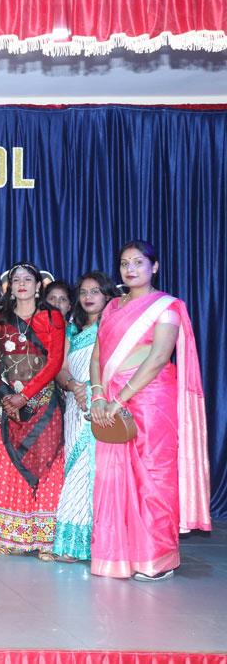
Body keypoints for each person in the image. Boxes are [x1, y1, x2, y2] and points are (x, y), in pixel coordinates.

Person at [89, 240, 211, 580]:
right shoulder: (112, 308)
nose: (130, 269)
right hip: (109, 399)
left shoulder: (167, 307)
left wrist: (119, 399)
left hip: (151, 399)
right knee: (114, 478)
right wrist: (98, 396)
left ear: (154, 267)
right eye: (124, 263)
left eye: (138, 262)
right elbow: (98, 356)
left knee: (153, 477)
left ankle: (156, 560)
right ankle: (118, 557)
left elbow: (158, 358)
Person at [0, 261, 66, 560]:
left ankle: (46, 540)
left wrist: (25, 396)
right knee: (7, 468)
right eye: (16, 280)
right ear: (10, 287)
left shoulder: (51, 317)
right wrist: (7, 397)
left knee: (48, 466)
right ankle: (9, 538)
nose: (22, 284)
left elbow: (54, 363)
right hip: (8, 407)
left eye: (28, 279)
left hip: (44, 405)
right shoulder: (0, 318)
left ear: (38, 285)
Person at [50, 272, 118, 562]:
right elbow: (60, 368)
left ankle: (101, 543)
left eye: (95, 291)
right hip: (75, 405)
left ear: (108, 295)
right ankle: (73, 544)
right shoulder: (72, 330)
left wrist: (94, 391)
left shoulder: (114, 326)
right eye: (84, 292)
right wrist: (74, 386)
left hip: (104, 406)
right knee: (75, 468)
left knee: (101, 472)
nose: (88, 297)